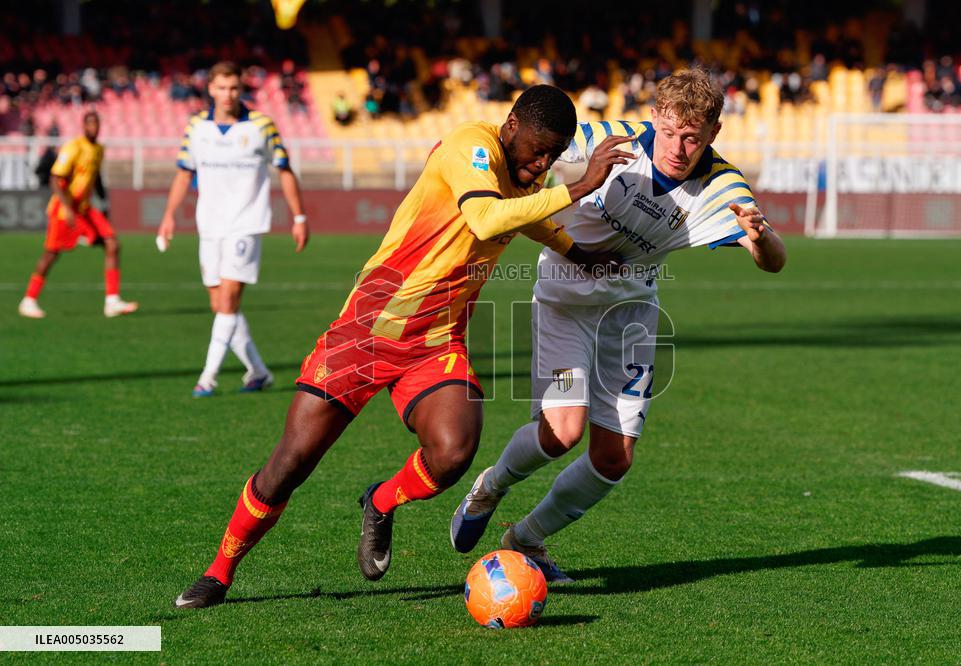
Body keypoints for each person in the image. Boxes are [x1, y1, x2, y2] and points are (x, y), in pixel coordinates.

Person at [173, 83, 634, 608]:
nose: (544, 161)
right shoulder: (471, 146)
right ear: (511, 127)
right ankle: (218, 572)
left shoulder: (530, 174)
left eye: (554, 154)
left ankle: (380, 500)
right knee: (290, 465)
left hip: (437, 338)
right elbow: (486, 216)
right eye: (538, 148)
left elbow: (531, 217)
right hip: (369, 329)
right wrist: (579, 188)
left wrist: (581, 254)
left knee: (455, 449)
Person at [451, 68, 787, 582]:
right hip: (563, 302)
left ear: (713, 134)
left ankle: (527, 540)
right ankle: (491, 486)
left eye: (693, 137)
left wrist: (759, 237)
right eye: (671, 132)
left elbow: (774, 261)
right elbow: (520, 153)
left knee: (614, 459)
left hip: (629, 319)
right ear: (655, 118)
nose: (678, 146)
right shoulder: (605, 142)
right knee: (563, 431)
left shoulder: (722, 187)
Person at [157, 61, 310, 397]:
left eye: (233, 88)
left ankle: (207, 378)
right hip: (209, 225)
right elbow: (184, 172)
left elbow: (284, 169)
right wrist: (169, 216)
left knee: (227, 300)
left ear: (241, 90)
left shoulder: (261, 125)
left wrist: (298, 217)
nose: (227, 95)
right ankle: (258, 372)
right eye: (221, 88)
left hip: (246, 223)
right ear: (210, 89)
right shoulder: (196, 126)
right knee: (221, 306)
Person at [19, 111, 138, 319]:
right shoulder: (73, 147)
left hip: (84, 208)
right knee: (51, 254)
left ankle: (112, 301)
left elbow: (96, 176)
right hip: (64, 208)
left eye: (97, 124)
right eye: (91, 124)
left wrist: (105, 204)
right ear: (83, 126)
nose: (95, 128)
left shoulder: (99, 149)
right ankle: (28, 300)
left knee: (112, 243)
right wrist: (66, 207)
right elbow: (55, 179)